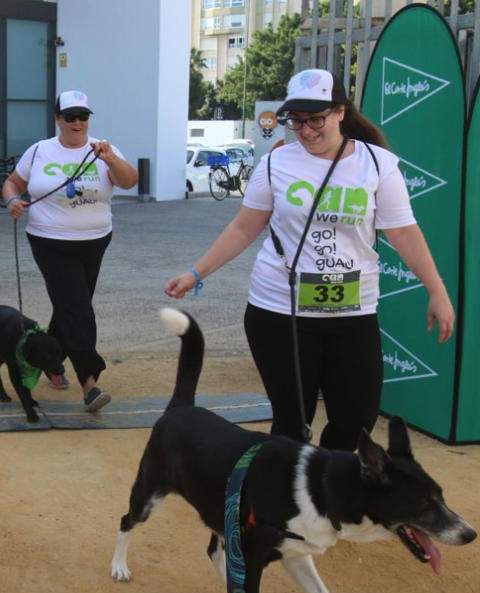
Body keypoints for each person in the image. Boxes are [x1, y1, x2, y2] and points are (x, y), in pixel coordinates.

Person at [165, 69, 455, 451]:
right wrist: (196, 272)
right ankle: (281, 506)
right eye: (296, 120)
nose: (305, 130)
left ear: (339, 112)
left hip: (353, 314)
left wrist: (437, 290)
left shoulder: (377, 164)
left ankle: (327, 491)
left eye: (315, 118)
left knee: (355, 422)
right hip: (279, 313)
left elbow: (404, 232)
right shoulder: (274, 164)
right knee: (292, 423)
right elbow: (243, 228)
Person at [2, 90, 138, 412]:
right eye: (70, 116)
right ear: (58, 119)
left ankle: (46, 360)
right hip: (49, 241)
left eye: (83, 116)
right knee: (79, 309)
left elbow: (130, 181)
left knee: (69, 308)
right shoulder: (40, 151)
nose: (77, 123)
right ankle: (89, 383)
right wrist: (12, 201)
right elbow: (12, 182)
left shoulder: (104, 149)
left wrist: (111, 159)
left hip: (95, 241)